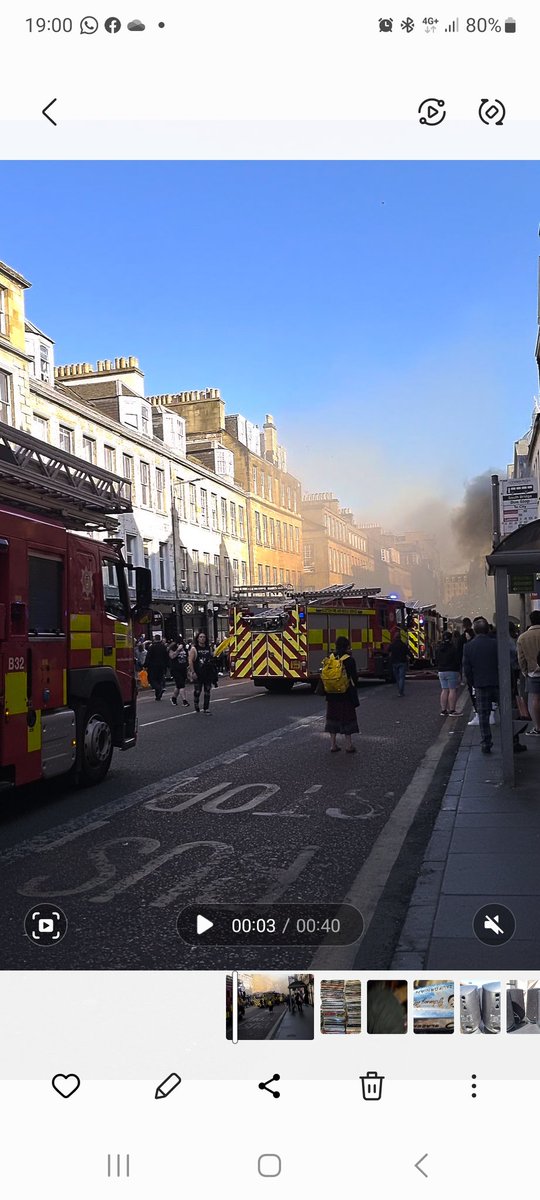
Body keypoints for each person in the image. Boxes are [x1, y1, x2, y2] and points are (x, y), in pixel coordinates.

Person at [462, 617, 499, 754]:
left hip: (480, 684)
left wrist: (473, 683)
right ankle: (512, 740)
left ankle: (486, 742)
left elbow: (467, 669)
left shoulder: (468, 646)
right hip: (498, 682)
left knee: (483, 715)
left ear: (475, 631)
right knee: (506, 711)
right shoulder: (496, 644)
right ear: (487, 629)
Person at [322, 635, 359, 753]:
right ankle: (349, 745)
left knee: (332, 718)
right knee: (347, 718)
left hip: (331, 694)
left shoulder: (330, 657)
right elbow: (354, 678)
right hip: (345, 694)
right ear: (347, 646)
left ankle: (333, 744)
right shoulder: (349, 659)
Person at [517, 611, 540, 737]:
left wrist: (525, 671)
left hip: (533, 673)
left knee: (536, 700)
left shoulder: (523, 637)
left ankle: (538, 727)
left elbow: (521, 658)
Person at [189, 631, 218, 713]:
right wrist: (193, 672)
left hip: (207, 673)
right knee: (198, 691)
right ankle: (196, 704)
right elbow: (190, 661)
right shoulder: (194, 648)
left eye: (204, 637)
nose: (202, 638)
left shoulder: (209, 648)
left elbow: (212, 657)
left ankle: (206, 708)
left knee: (207, 691)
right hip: (198, 673)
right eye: (200, 637)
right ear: (197, 639)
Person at [435, 630, 461, 716]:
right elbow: (457, 660)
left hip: (441, 671)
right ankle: (452, 710)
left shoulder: (439, 648)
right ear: (451, 639)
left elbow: (436, 660)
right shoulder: (453, 648)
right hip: (452, 670)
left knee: (444, 690)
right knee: (452, 690)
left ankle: (443, 710)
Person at [145, 634, 169, 701]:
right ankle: (158, 696)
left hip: (153, 666)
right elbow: (166, 657)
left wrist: (145, 665)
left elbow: (148, 657)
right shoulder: (163, 647)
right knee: (159, 679)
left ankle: (159, 689)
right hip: (161, 666)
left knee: (152, 680)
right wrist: (167, 665)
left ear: (155, 639)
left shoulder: (152, 647)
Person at [169, 638, 190, 706]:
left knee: (179, 685)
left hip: (183, 668)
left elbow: (187, 656)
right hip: (176, 669)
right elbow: (172, 656)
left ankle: (173, 698)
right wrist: (178, 650)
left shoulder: (184, 648)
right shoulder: (172, 648)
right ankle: (184, 701)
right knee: (181, 685)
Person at [388, 628, 409, 697]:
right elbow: (408, 652)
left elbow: (388, 650)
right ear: (400, 637)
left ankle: (399, 690)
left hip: (394, 663)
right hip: (402, 662)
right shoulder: (403, 645)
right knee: (402, 677)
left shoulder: (392, 645)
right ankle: (401, 691)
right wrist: (412, 659)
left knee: (397, 678)